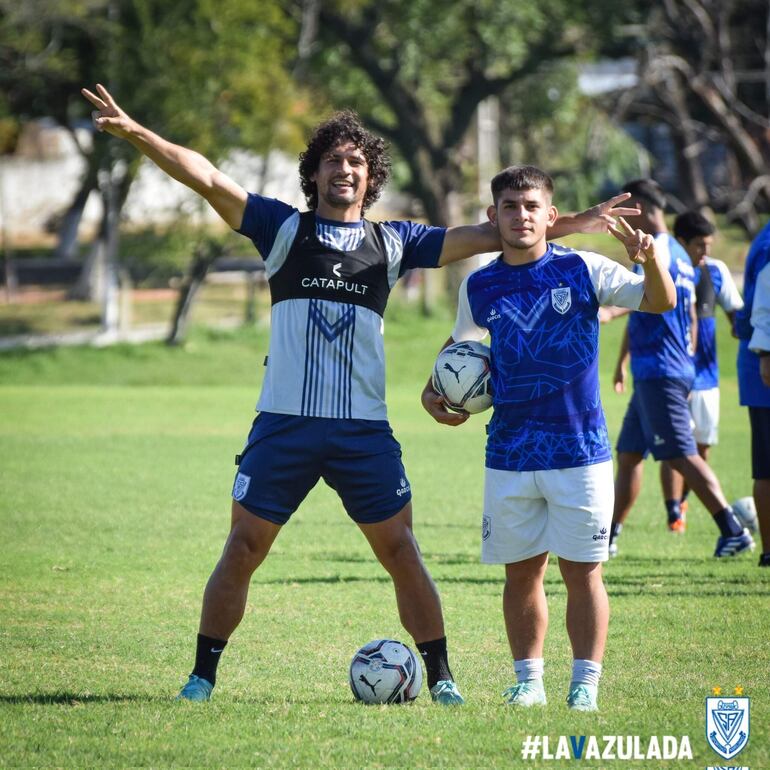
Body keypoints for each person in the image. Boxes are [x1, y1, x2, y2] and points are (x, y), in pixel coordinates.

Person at [80, 83, 637, 704]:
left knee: (402, 550)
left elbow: (497, 236)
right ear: (314, 174)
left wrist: (577, 223)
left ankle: (444, 680)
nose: (343, 169)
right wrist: (140, 136)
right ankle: (200, 678)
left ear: (368, 178)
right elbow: (208, 177)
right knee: (242, 547)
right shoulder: (280, 230)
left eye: (355, 162)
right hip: (284, 424)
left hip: (361, 430)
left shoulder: (392, 243)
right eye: (332, 160)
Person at [422, 165, 675, 712]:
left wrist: (651, 261)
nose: (521, 216)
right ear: (493, 216)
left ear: (551, 216)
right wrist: (432, 390)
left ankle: (585, 683)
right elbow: (459, 346)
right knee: (521, 573)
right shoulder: (480, 284)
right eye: (509, 207)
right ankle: (529, 682)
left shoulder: (584, 268)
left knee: (583, 572)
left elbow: (659, 303)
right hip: (508, 452)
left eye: (531, 206)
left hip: (579, 451)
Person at [605, 180, 754, 558]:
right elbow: (684, 309)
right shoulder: (680, 256)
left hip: (660, 369)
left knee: (681, 454)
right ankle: (607, 538)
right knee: (630, 455)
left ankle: (731, 528)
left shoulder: (660, 248)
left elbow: (644, 290)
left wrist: (608, 308)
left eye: (624, 210)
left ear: (637, 206)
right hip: (656, 368)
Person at [658, 211, 744, 532]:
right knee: (674, 448)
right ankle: (673, 513)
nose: (705, 252)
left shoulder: (717, 272)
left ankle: (685, 502)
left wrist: (743, 328)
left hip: (707, 378)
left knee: (701, 447)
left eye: (708, 245)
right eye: (699, 245)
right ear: (681, 242)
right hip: (671, 375)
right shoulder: (665, 271)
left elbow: (736, 314)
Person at [735, 221, 770, 567]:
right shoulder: (768, 245)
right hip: (764, 372)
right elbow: (763, 305)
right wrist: (766, 355)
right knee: (766, 467)